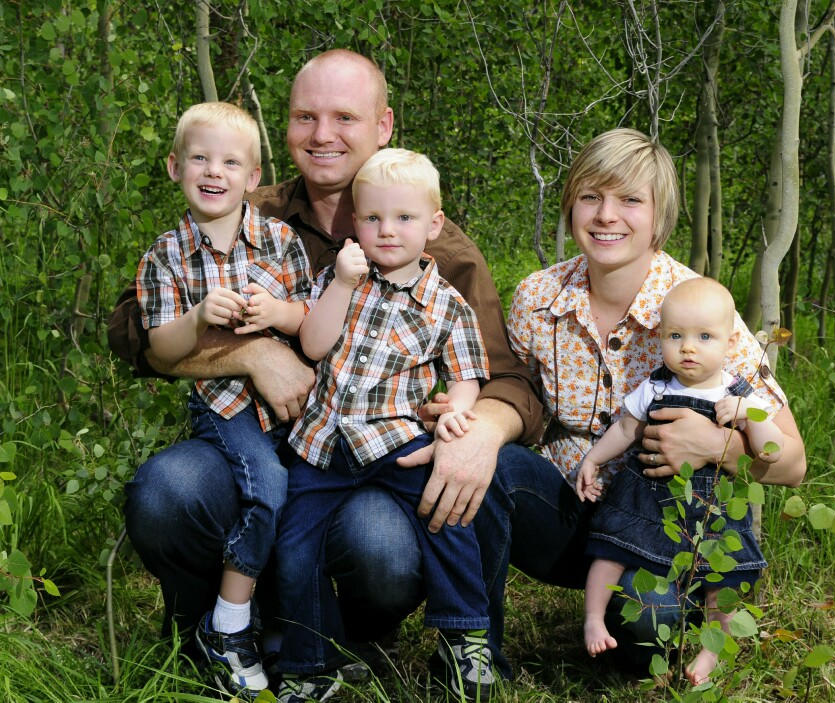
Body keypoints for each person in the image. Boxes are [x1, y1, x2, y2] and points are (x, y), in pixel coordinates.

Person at [108, 49, 543, 694]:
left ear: (384, 125)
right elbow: (133, 330)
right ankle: (219, 628)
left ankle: (362, 636)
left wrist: (478, 430)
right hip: (254, 437)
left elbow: (507, 380)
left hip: (370, 455)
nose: (322, 135)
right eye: (304, 116)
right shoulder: (249, 211)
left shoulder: (433, 243)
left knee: (380, 547)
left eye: (345, 116)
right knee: (167, 491)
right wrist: (254, 354)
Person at [475, 127, 806, 678]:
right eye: (591, 196)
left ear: (659, 215)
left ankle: (658, 621)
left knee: (648, 626)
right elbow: (515, 394)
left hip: (665, 527)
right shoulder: (538, 297)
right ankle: (477, 653)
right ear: (571, 205)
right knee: (489, 463)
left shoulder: (699, 311)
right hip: (573, 506)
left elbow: (793, 465)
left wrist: (721, 448)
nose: (607, 215)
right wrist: (475, 415)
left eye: (630, 199)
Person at [274, 148, 493, 702]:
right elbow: (314, 343)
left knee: (446, 516)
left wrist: (460, 413)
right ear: (354, 223)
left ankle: (464, 634)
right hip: (321, 445)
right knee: (295, 545)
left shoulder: (447, 305)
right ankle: (309, 664)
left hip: (396, 441)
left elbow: (466, 372)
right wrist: (341, 287)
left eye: (404, 218)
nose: (387, 231)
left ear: (433, 224)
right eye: (372, 218)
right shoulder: (341, 278)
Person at [133, 101, 312, 694]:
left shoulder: (282, 241)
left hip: (291, 410)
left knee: (299, 500)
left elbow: (312, 322)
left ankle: (297, 639)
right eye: (200, 158)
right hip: (225, 407)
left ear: (254, 177)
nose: (214, 171)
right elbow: (161, 345)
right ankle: (228, 623)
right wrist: (198, 316)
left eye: (231, 161)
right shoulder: (165, 254)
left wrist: (279, 314)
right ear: (174, 167)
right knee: (268, 486)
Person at [574, 277, 785, 684]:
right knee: (611, 550)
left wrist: (746, 417)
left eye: (704, 336)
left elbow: (771, 450)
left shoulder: (738, 392)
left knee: (722, 581)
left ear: (728, 344)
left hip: (713, 508)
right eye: (676, 336)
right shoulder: (654, 386)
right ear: (661, 339)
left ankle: (710, 649)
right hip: (649, 500)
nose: (688, 347)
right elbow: (625, 430)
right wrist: (592, 460)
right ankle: (594, 620)